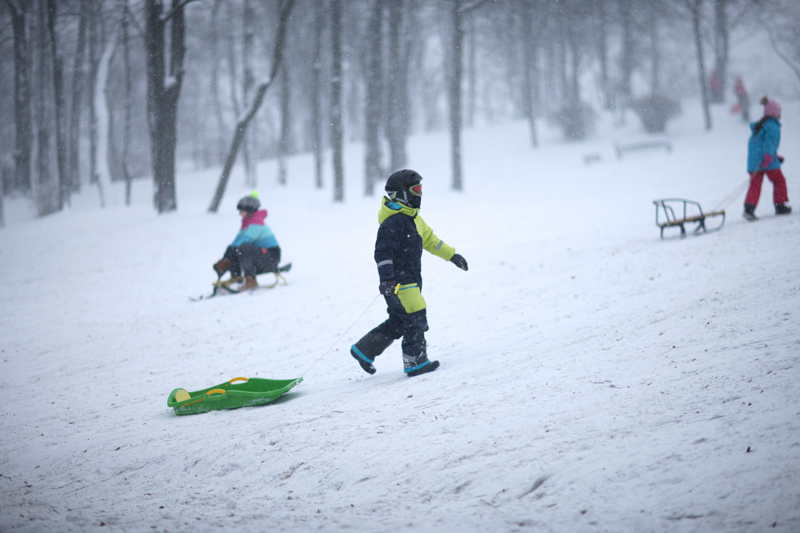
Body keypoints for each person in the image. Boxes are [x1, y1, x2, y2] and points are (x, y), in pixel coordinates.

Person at [350, 169, 469, 377]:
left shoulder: (415, 219)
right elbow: (382, 254)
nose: (420, 194)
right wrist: (387, 278)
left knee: (399, 321)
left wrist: (452, 255)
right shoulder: (392, 223)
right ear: (402, 194)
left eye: (421, 189)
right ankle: (415, 360)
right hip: (398, 282)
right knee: (416, 315)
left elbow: (432, 241)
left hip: (410, 280)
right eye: (416, 189)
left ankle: (365, 350)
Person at [213, 192, 282, 290]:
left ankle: (251, 280)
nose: (239, 213)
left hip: (271, 257)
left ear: (248, 210)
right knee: (233, 248)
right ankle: (236, 278)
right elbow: (234, 244)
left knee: (243, 248)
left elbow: (245, 242)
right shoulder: (246, 223)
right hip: (261, 255)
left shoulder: (256, 223)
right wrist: (226, 259)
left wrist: (228, 259)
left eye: (241, 210)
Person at [743, 97, 792, 221]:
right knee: (779, 180)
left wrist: (774, 156)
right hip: (766, 160)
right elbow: (769, 143)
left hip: (754, 161)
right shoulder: (772, 125)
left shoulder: (760, 126)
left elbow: (758, 145)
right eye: (779, 112)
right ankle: (780, 206)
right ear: (775, 113)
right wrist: (769, 157)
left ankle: (749, 209)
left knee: (755, 184)